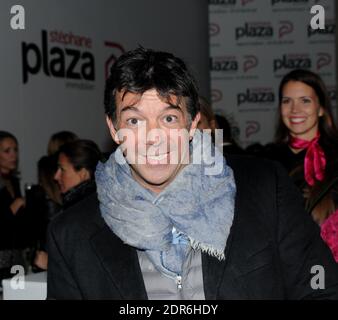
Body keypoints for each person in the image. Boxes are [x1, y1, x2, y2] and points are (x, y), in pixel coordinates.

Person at [47, 48, 338, 299]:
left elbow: (321, 289)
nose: (153, 137)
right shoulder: (73, 234)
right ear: (113, 128)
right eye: (134, 120)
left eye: (169, 118)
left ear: (192, 123)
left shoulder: (263, 189)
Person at [263, 69, 338, 261]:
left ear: (321, 108)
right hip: (281, 264)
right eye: (287, 101)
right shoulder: (267, 159)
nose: (295, 109)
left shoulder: (335, 157)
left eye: (305, 100)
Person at [36, 140, 102, 271]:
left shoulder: (86, 212)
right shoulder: (94, 203)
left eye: (62, 169)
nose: (56, 176)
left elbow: (90, 264)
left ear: (83, 173)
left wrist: (50, 263)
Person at [0, 131, 26, 285]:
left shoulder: (14, 181)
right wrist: (13, 207)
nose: (13, 155)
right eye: (7, 151)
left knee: (19, 293)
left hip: (17, 257)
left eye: (15, 150)